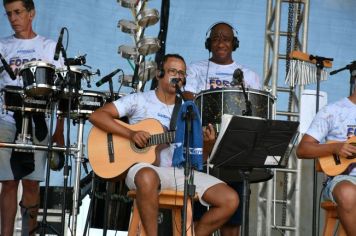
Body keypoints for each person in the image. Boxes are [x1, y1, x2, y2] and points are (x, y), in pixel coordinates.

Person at [89, 53, 239, 235]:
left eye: (182, 73)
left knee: (230, 199)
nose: (178, 76)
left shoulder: (190, 109)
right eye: (173, 71)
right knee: (147, 176)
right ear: (159, 74)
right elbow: (97, 116)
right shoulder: (139, 100)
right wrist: (131, 133)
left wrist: (207, 144)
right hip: (142, 169)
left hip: (180, 172)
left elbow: (200, 157)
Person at [184, 21, 262, 235]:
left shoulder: (249, 75)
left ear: (234, 43)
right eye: (216, 38)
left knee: (231, 220)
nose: (220, 42)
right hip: (206, 145)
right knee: (202, 212)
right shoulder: (196, 68)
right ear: (208, 43)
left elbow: (257, 110)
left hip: (234, 149)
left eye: (226, 38)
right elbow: (189, 97)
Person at [0, 0, 64, 235]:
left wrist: (59, 131)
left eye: (18, 12)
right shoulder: (2, 46)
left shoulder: (48, 47)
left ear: (31, 13)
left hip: (38, 120)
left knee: (32, 182)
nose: (13, 18)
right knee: (7, 182)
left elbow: (61, 92)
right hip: (6, 120)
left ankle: (30, 231)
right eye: (8, 14)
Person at [296, 89, 356, 235]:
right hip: (343, 179)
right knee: (347, 192)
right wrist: (335, 148)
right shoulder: (333, 111)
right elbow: (302, 149)